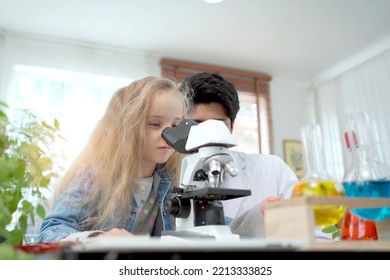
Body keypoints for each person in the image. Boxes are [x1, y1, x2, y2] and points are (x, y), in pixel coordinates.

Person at [38, 76, 190, 242]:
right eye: (154, 124)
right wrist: (99, 240)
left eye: (176, 125)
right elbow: (50, 230)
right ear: (128, 125)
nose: (169, 136)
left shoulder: (173, 178)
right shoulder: (94, 175)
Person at [179, 72, 298, 238]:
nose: (209, 136)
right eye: (197, 125)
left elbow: (316, 231)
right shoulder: (167, 175)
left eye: (218, 125)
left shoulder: (272, 168)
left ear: (232, 125)